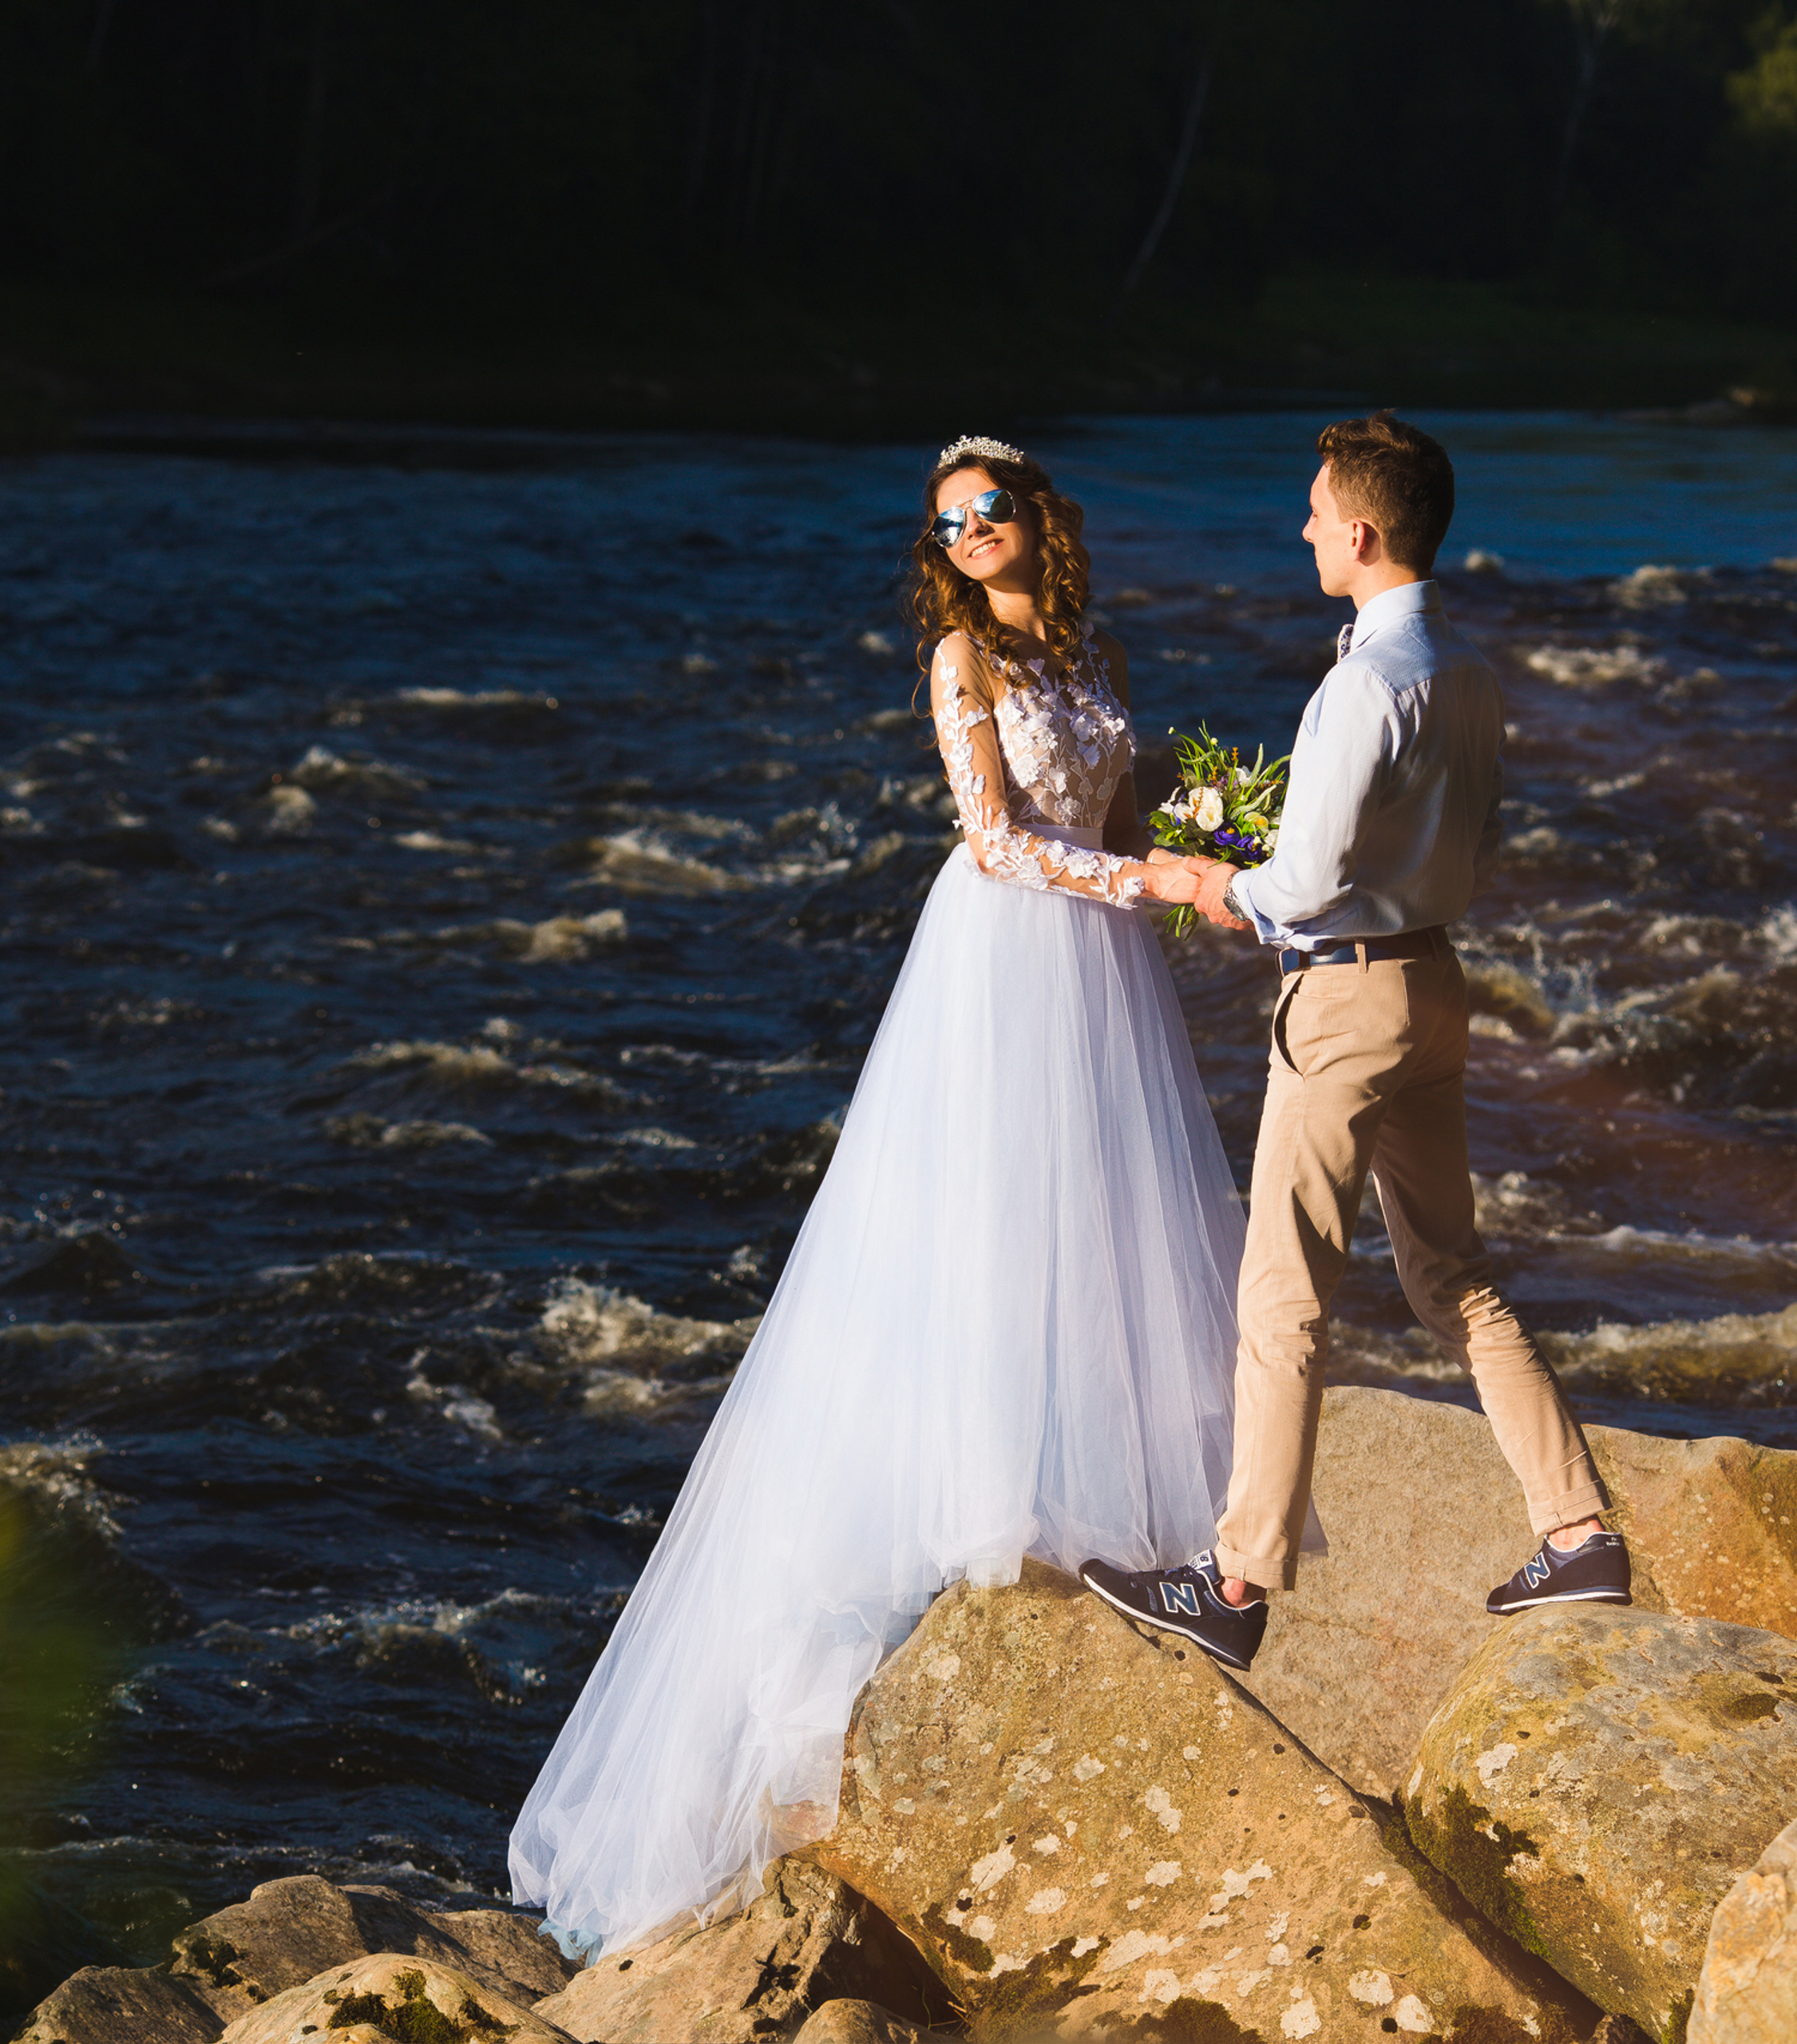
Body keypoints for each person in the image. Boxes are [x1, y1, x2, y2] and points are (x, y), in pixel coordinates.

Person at [509, 435, 1317, 1962]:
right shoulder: (958, 654)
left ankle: (1114, 1526)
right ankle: (976, 1509)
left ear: (1037, 521)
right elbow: (997, 839)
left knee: (1104, 1226)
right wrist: (1148, 882)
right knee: (983, 1221)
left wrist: (1207, 840)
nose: (967, 539)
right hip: (1009, 956)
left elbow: (1120, 804)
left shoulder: (1083, 643)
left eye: (988, 513)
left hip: (1100, 961)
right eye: (946, 525)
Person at [1083, 411, 1629, 1671]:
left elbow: (1311, 877)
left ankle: (1234, 1586)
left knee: (1282, 1294)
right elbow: (1462, 845)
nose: (1307, 527)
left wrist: (1220, 884)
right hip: (1436, 988)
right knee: (1453, 1274)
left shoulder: (1360, 685)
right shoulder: (1471, 675)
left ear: (1365, 531)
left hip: (1345, 1005)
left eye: (1319, 511)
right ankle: (1577, 1529)